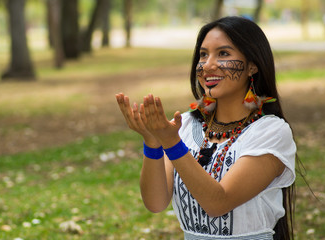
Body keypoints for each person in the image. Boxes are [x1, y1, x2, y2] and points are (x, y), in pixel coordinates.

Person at [116, 16, 296, 240]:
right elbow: (155, 203)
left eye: (223, 53)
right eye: (203, 54)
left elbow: (218, 203)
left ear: (252, 66)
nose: (208, 65)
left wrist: (171, 144)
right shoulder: (186, 125)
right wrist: (152, 141)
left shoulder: (271, 132)